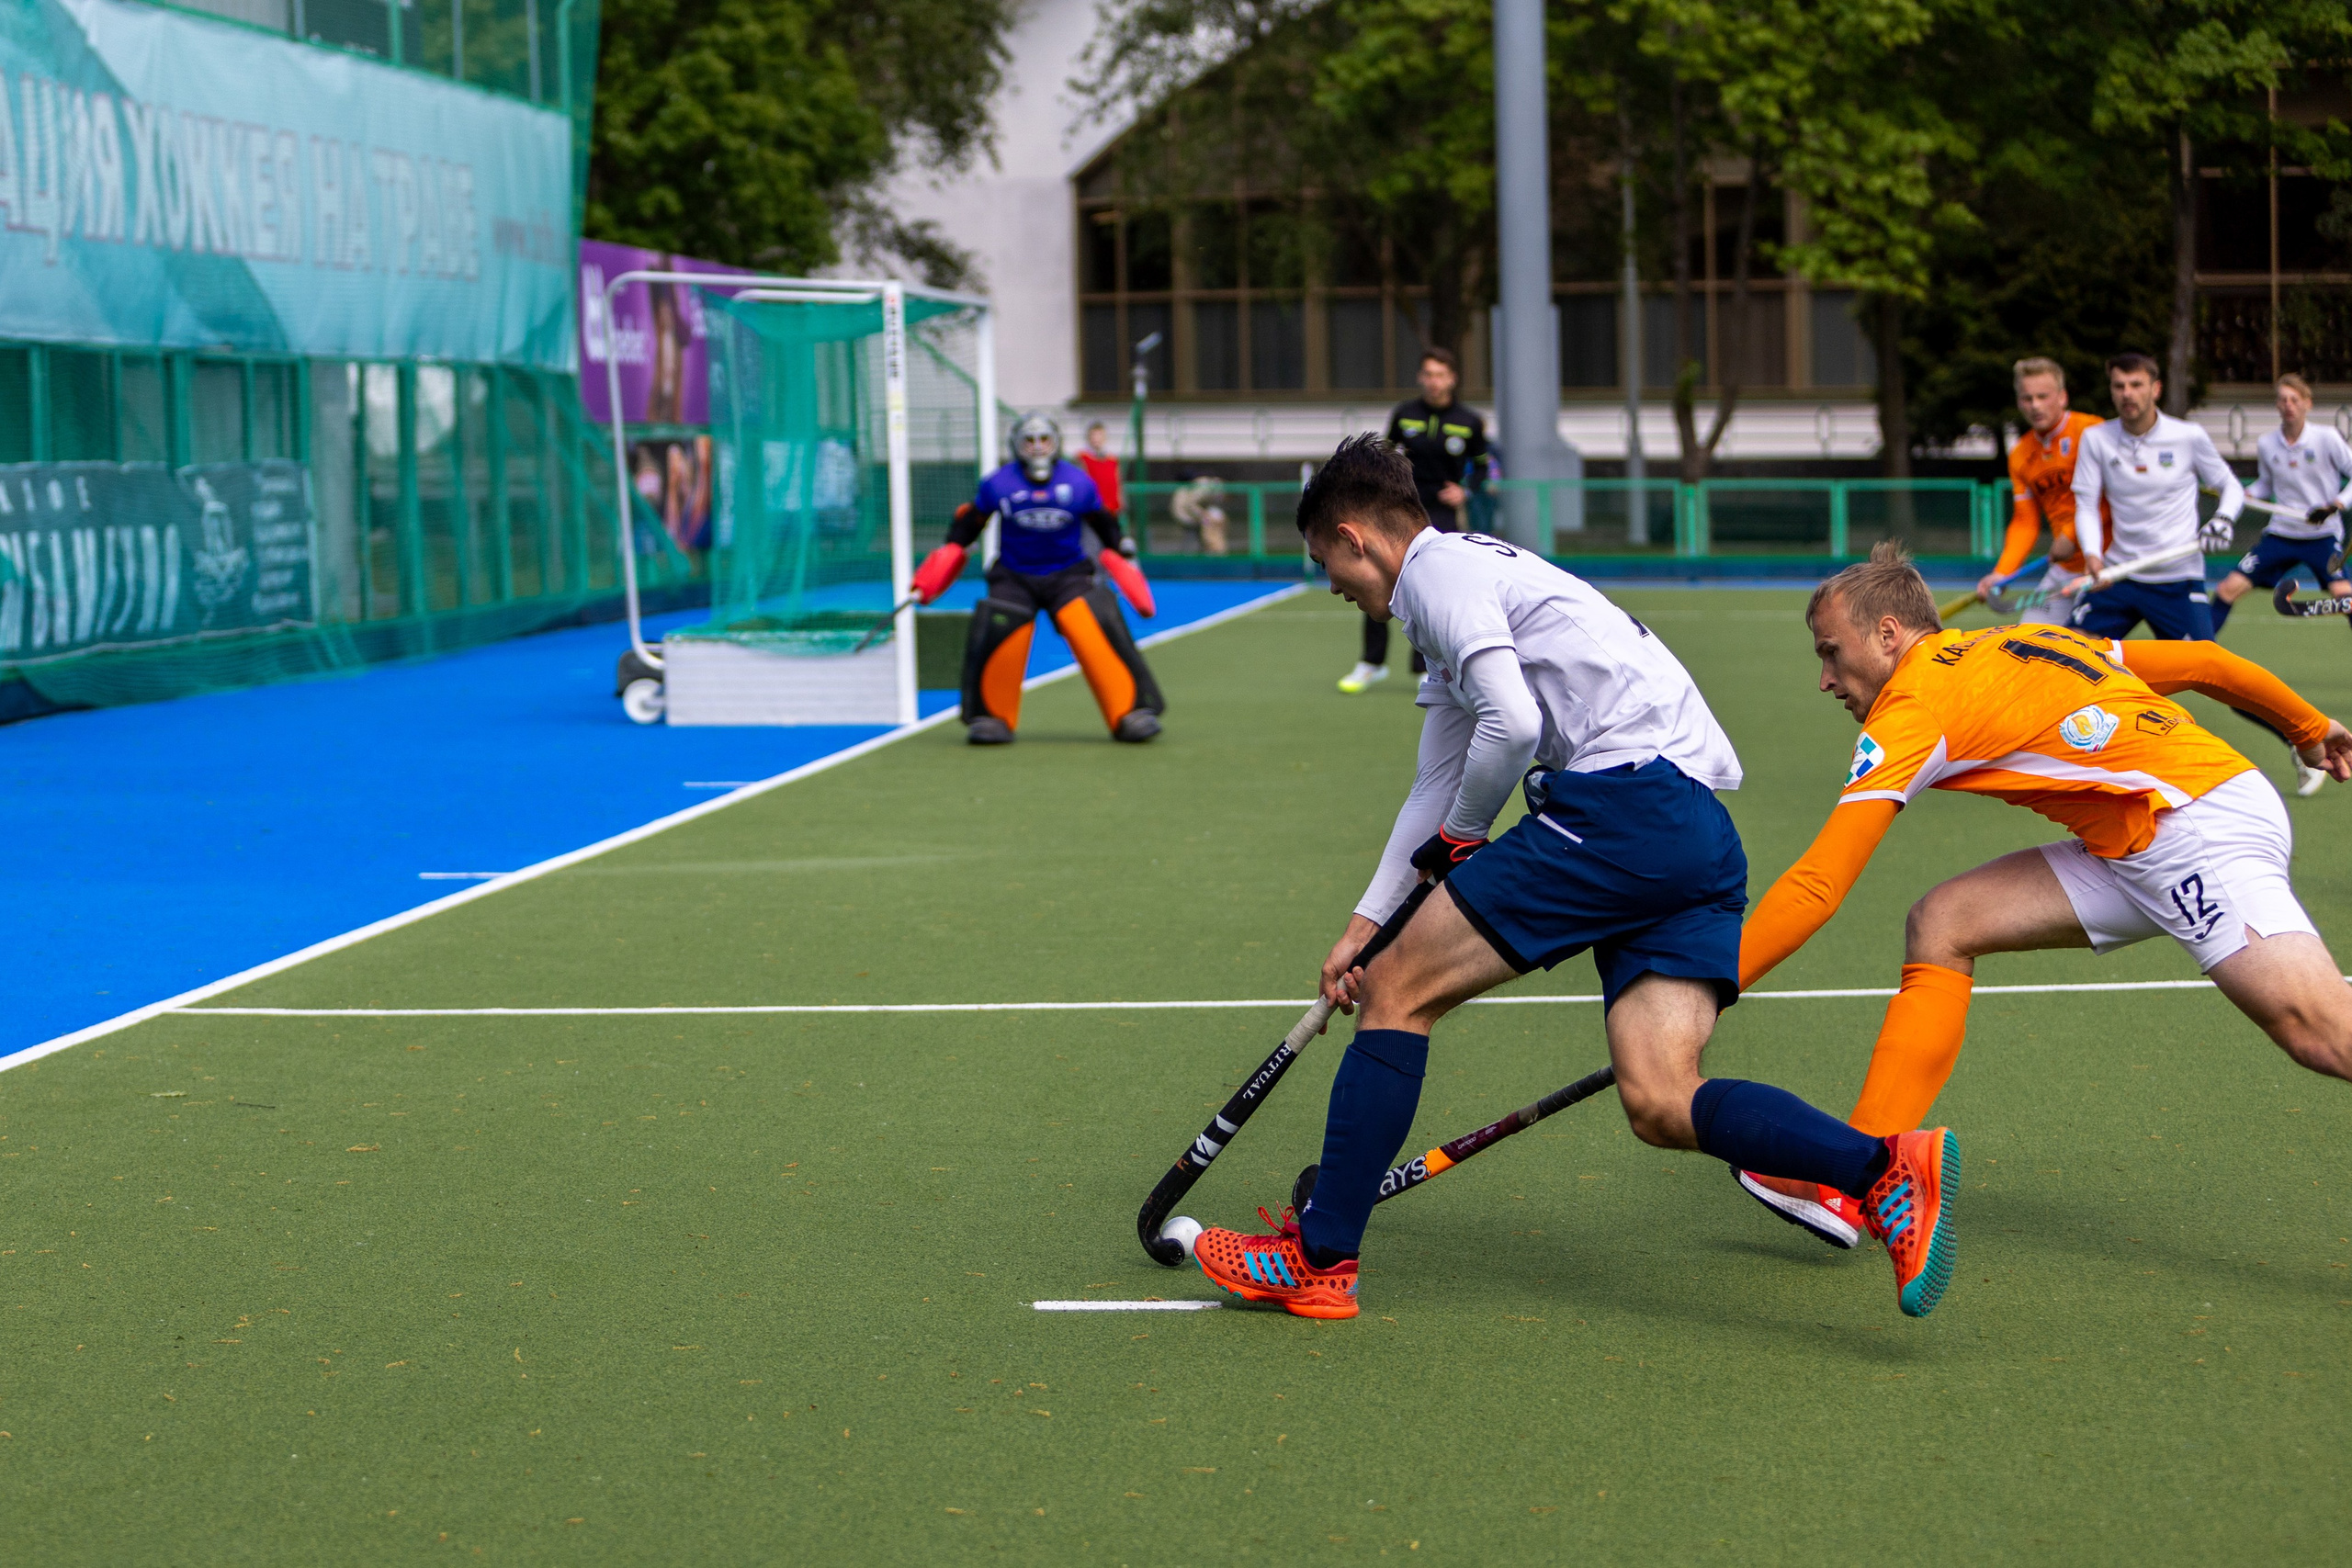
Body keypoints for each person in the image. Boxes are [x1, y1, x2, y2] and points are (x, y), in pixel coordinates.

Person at [1190, 435, 1962, 1321]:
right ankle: (1885, 1168)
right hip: (1695, 833)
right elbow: (1438, 778)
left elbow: (1511, 727)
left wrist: (1465, 840)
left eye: (1328, 562)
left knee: (1399, 992)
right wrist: (1370, 920)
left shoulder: (1437, 578)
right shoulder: (1465, 589)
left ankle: (1322, 1259)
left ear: (1355, 537)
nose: (1334, 585)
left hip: (1624, 810)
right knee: (1662, 1097)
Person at [1729, 543, 2352, 1250]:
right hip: (2148, 830)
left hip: (2188, 827)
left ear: (1888, 635)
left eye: (1831, 652)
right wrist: (2310, 728)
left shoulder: (1912, 708)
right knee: (1943, 923)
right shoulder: (2027, 638)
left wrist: (1711, 983)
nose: (1825, 679)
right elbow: (2208, 665)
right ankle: (1853, 1174)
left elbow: (1820, 880)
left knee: (2321, 1031)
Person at [908, 412, 1164, 746]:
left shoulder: (1078, 483)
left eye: (1044, 440)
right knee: (999, 627)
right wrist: (949, 554)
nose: (1038, 447)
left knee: (1097, 623)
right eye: (1029, 441)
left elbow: (1103, 522)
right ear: (1016, 446)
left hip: (1069, 574)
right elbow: (972, 522)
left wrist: (1121, 549)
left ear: (1056, 444)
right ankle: (991, 717)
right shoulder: (997, 484)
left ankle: (1130, 711)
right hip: (1014, 575)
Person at [2209, 375, 2352, 795]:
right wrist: (2243, 495)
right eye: (2281, 400)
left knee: (2345, 600)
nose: (2287, 405)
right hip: (2281, 533)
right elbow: (2267, 488)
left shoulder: (2326, 439)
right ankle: (2200, 650)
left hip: (2322, 535)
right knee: (2227, 588)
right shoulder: (2270, 444)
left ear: (2307, 403)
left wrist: (2336, 505)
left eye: (2294, 399)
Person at [1336, 350, 1489, 694]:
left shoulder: (1469, 421)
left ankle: (1427, 667)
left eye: (1440, 375)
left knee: (1434, 587)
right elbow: (1385, 457)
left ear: (1452, 379)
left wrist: (1465, 490)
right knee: (1376, 577)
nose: (1433, 381)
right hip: (1399, 510)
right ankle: (1371, 664)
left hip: (1441, 513)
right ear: (1421, 378)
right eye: (1428, 374)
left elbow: (1482, 467)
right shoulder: (1405, 414)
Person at [2068, 352, 2243, 641]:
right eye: (2119, 386)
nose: (2127, 394)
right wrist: (2092, 555)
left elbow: (2230, 486)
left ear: (2156, 389)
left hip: (2178, 578)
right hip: (2119, 574)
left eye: (2136, 385)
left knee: (2204, 668)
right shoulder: (2095, 438)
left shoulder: (2188, 436)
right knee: (2071, 652)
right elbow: (2085, 506)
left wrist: (2223, 519)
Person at [1977, 357, 2102, 623]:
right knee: (2027, 644)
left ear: (2062, 396)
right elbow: (2025, 522)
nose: (2035, 406)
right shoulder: (2021, 454)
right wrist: (2003, 572)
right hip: (2064, 569)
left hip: (2109, 563)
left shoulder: (2092, 431)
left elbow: (2113, 499)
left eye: (2043, 396)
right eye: (2027, 398)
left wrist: (2071, 534)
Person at [1076, 422, 1125, 528]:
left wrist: (1120, 500)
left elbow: (1117, 481)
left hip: (1111, 509)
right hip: (1094, 509)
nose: (1096, 439)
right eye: (1094, 436)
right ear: (1089, 438)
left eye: (1099, 435)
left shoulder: (1112, 459)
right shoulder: (1083, 458)